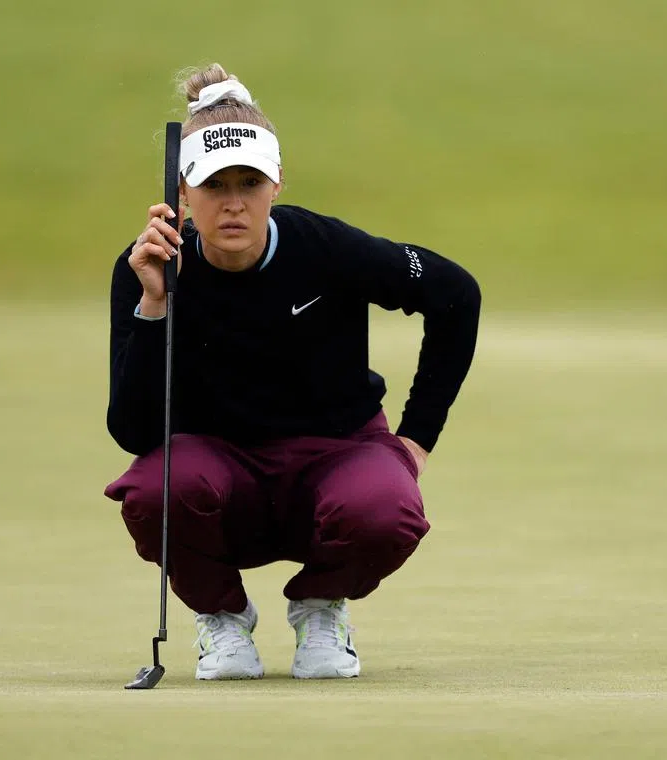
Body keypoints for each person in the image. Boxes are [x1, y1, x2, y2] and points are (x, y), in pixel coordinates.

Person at [103, 63, 481, 680]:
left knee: (387, 509)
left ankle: (320, 605)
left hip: (337, 452)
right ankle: (222, 616)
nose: (232, 203)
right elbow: (134, 435)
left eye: (249, 183)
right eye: (214, 184)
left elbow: (456, 294)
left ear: (276, 182)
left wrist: (417, 437)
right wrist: (155, 305)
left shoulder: (326, 248)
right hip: (216, 467)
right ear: (181, 191)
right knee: (152, 491)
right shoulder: (150, 268)